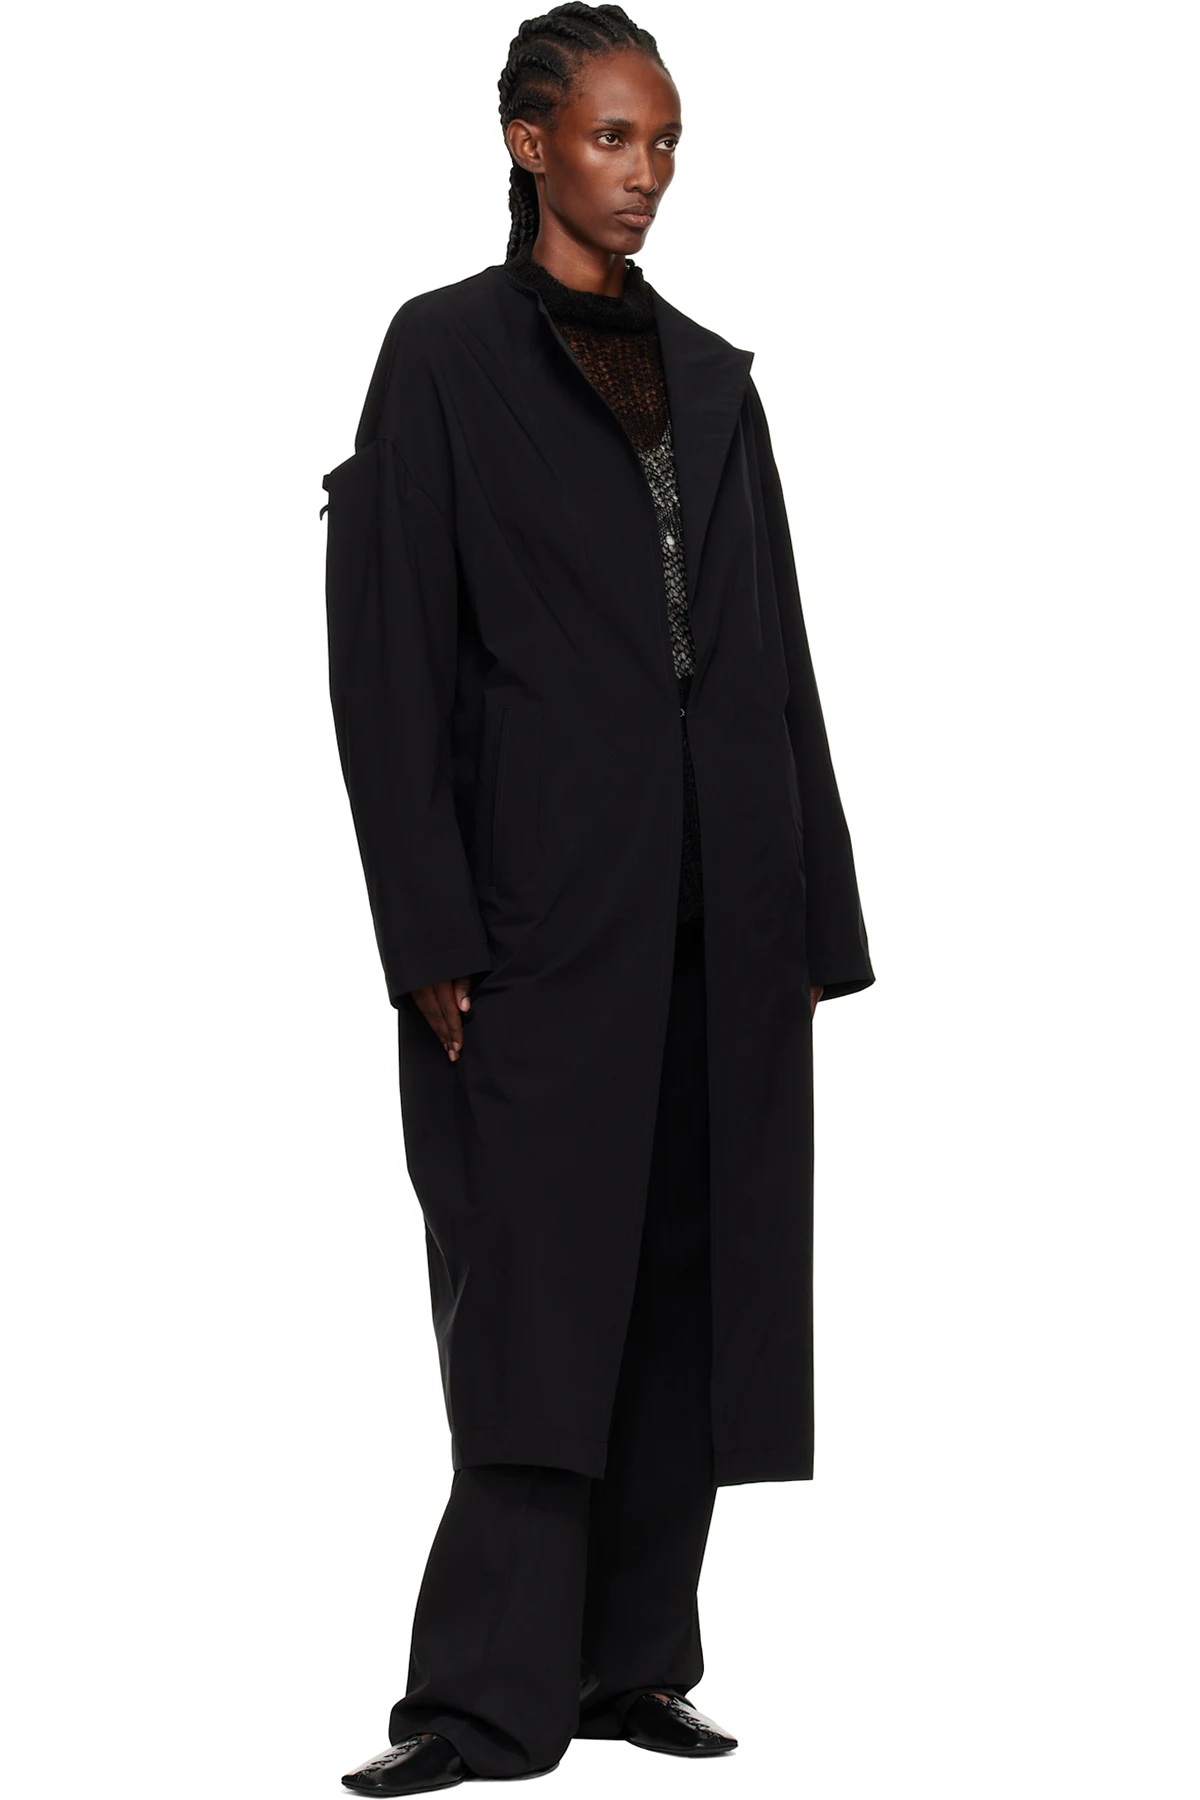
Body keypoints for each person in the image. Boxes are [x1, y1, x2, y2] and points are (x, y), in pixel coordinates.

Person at [322, 7, 875, 1794]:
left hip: (724, 909)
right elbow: (387, 656)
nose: (645, 173)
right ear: (527, 141)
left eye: (665, 141)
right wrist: (427, 930)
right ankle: (483, 1700)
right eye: (614, 137)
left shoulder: (712, 376)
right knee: (534, 1298)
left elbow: (778, 655)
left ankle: (634, 1665)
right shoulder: (442, 356)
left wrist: (815, 920)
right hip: (537, 921)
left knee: (687, 1289)